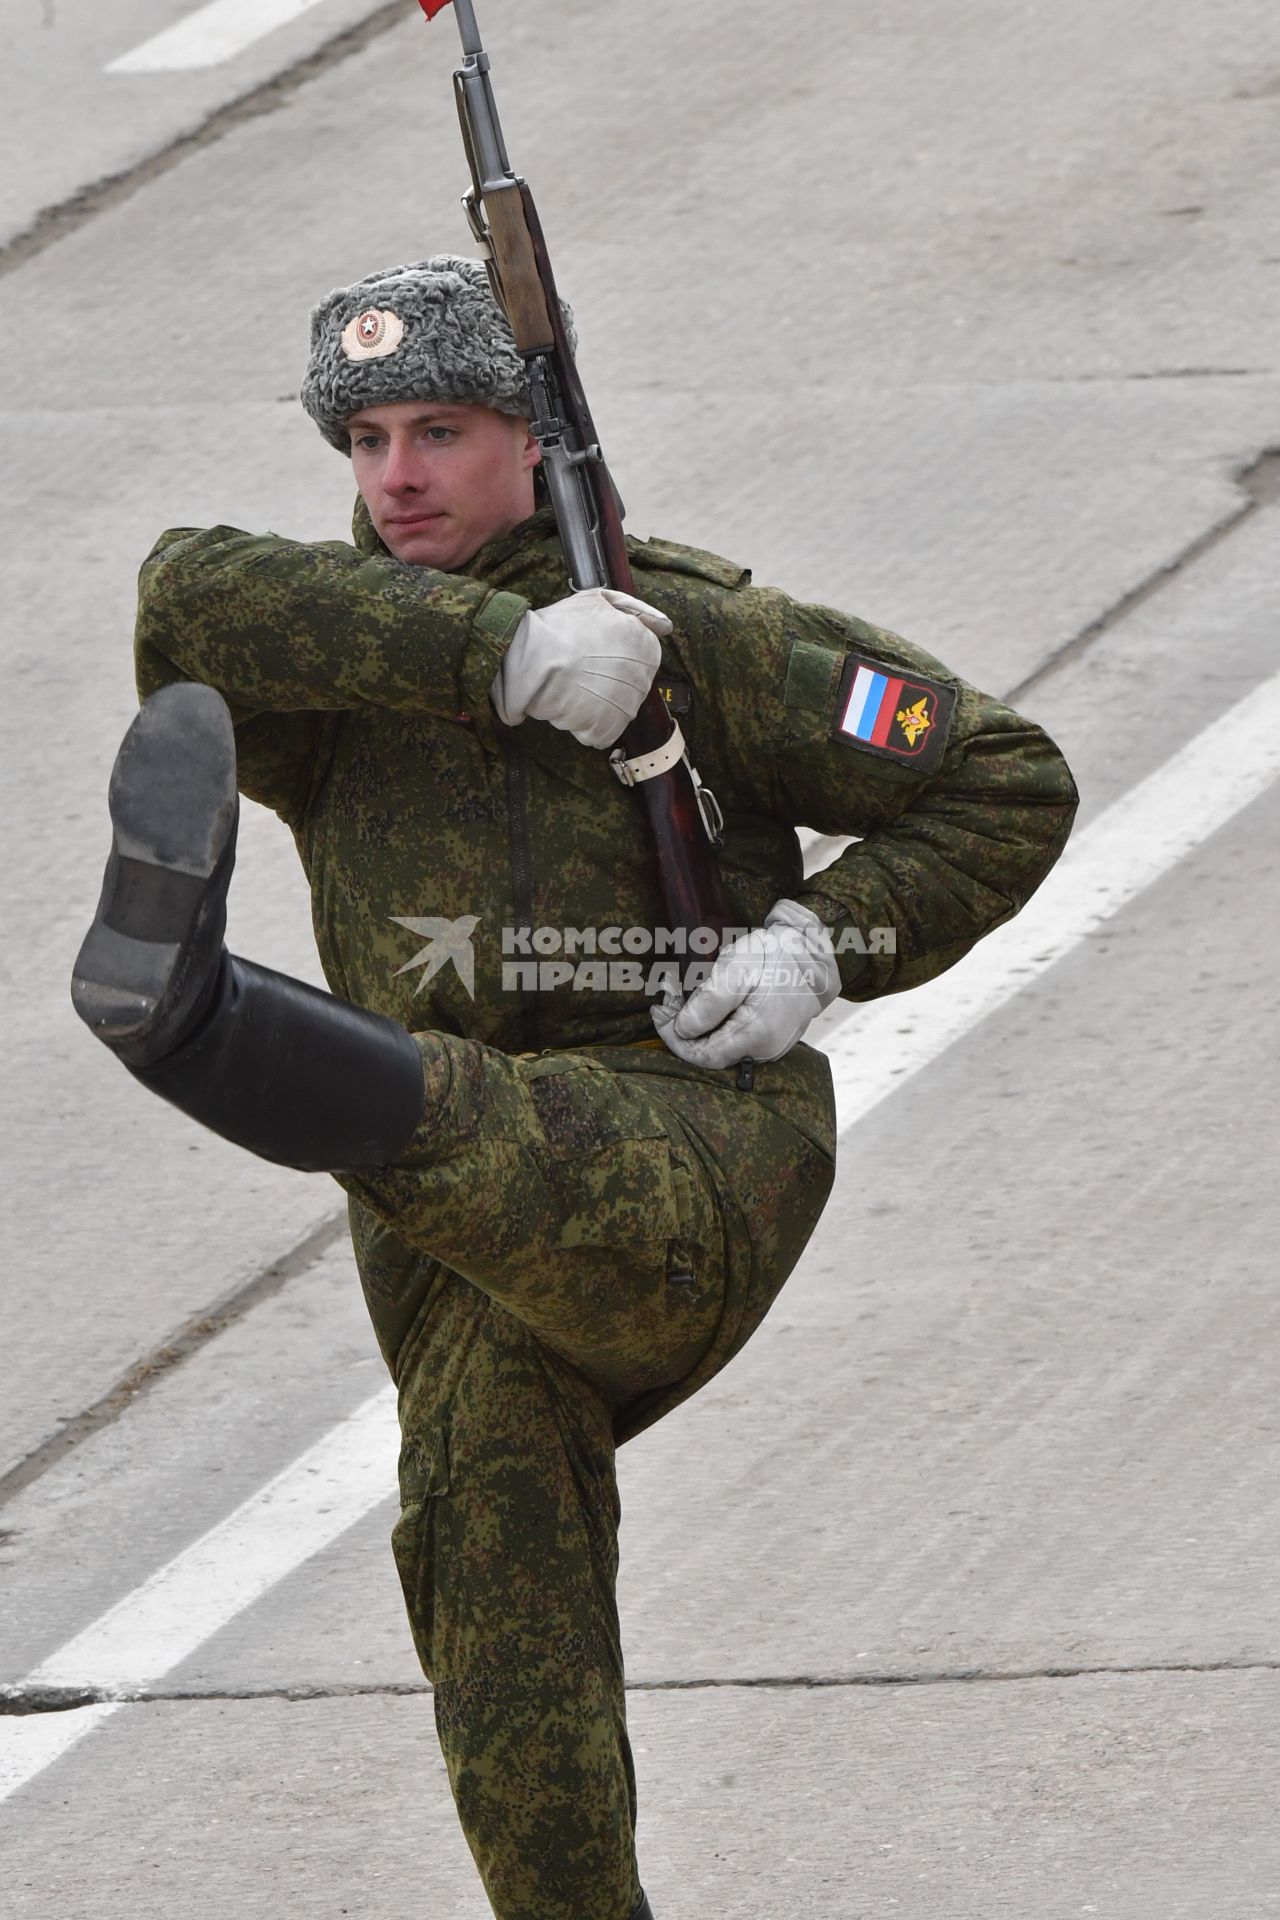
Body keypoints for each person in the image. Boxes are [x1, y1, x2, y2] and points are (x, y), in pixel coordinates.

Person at [71, 255, 1078, 1920]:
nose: (395, 478)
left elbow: (1002, 776)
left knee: (522, 1133)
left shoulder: (711, 642)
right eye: (368, 439)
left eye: (441, 431)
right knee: (483, 1552)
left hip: (694, 1160)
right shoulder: (354, 676)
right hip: (450, 1236)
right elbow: (184, 600)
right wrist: (498, 652)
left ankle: (216, 1034)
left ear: (533, 444)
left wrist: (823, 944)